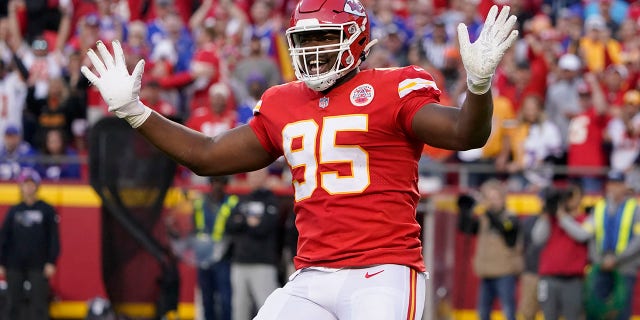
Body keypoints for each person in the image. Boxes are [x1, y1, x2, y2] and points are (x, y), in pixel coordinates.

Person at [80, 1, 519, 317]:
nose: (313, 48)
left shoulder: (394, 86)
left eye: (326, 37)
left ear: (358, 39)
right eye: (306, 38)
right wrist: (136, 113)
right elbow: (207, 156)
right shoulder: (282, 101)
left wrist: (478, 87)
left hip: (384, 270)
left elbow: (466, 132)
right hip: (312, 274)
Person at [0, 168, 60, 320]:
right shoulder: (14, 210)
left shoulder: (46, 210)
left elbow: (53, 237)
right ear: (20, 187)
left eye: (31, 184)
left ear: (37, 186)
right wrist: (1, 262)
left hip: (39, 264)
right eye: (25, 184)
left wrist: (51, 261)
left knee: (39, 304)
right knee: (12, 303)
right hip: (14, 264)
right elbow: (4, 238)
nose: (28, 187)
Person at [457, 179, 522, 320]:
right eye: (489, 198)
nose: (491, 202)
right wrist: (464, 209)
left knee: (508, 311)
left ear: (503, 198)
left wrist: (486, 210)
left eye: (495, 198)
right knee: (483, 312)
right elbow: (465, 228)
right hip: (486, 272)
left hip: (505, 272)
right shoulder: (483, 218)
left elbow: (505, 230)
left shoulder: (510, 216)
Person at [582, 170, 640, 320]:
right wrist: (598, 259)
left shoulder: (635, 208)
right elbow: (591, 236)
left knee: (622, 310)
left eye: (617, 184)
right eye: (610, 184)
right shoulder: (599, 207)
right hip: (601, 265)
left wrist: (617, 258)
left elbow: (638, 240)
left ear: (624, 186)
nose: (613, 188)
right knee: (597, 310)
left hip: (625, 266)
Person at [226, 168, 281, 320]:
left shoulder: (271, 200)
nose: (255, 178)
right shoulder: (241, 199)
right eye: (252, 175)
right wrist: (249, 221)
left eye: (258, 175)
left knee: (268, 306)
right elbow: (230, 225)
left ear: (265, 177)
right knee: (239, 307)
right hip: (240, 262)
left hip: (263, 263)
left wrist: (243, 221)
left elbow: (264, 227)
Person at [532, 184, 590, 320]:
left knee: (573, 316)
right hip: (549, 278)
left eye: (572, 196)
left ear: (581, 199)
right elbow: (537, 238)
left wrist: (562, 216)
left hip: (573, 280)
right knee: (549, 316)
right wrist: (546, 215)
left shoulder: (585, 219)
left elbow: (582, 235)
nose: (569, 200)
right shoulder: (551, 219)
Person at [191, 175, 238, 320]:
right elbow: (194, 229)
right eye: (215, 181)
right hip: (204, 258)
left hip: (223, 259)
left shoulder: (232, 202)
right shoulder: (200, 204)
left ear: (226, 184)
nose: (217, 185)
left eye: (221, 182)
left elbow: (236, 229)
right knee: (207, 298)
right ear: (210, 183)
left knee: (225, 299)